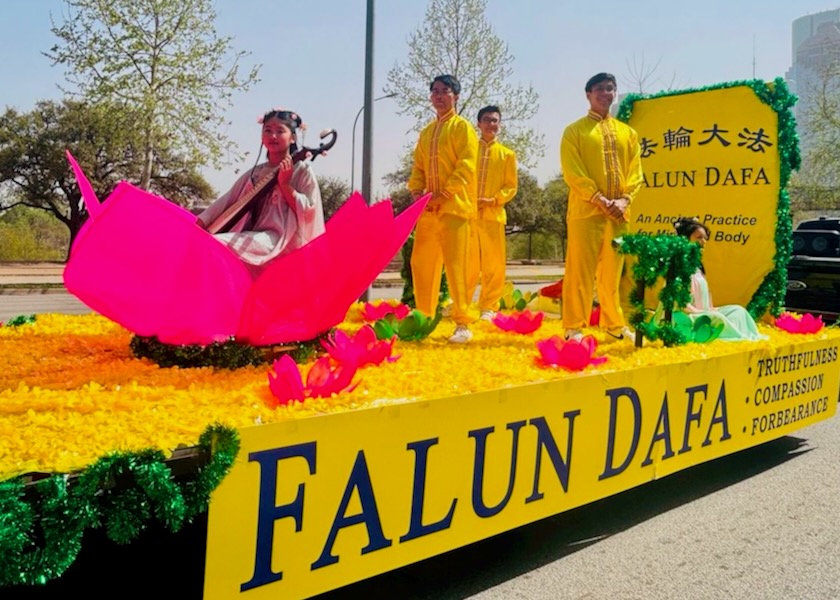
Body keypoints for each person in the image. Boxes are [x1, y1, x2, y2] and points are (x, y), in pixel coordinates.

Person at [560, 72, 643, 342]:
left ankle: (614, 324)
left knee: (613, 273)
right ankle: (574, 326)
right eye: (599, 89)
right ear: (588, 94)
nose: (605, 93)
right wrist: (598, 198)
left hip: (619, 215)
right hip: (586, 212)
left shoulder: (628, 133)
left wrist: (623, 200)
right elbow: (573, 172)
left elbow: (635, 173)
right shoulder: (575, 131)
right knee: (579, 271)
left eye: (610, 89)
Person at [197, 108, 325, 268]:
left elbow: (309, 212)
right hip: (254, 237)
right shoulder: (255, 173)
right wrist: (199, 224)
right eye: (268, 130)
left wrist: (285, 185)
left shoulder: (301, 171)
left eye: (280, 131)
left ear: (292, 138)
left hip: (282, 239)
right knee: (206, 246)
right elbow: (226, 201)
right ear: (261, 137)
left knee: (217, 244)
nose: (273, 136)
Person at [408, 74, 479, 343]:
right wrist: (417, 190)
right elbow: (418, 167)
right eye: (435, 91)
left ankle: (463, 323)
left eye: (445, 91)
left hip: (454, 208)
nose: (438, 96)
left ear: (456, 96)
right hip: (427, 211)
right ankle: (424, 319)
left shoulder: (462, 128)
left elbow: (466, 165)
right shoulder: (427, 132)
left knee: (456, 266)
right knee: (422, 264)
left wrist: (444, 193)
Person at [666, 218, 765, 341]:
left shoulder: (697, 266)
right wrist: (700, 312)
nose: (704, 241)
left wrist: (711, 309)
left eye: (705, 238)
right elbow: (680, 304)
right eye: (699, 237)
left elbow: (705, 295)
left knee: (738, 311)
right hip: (688, 315)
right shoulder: (679, 266)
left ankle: (743, 337)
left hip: (705, 311)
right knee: (717, 319)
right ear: (685, 238)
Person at [466, 105, 519, 321]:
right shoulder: (468, 151)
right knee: (465, 264)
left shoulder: (507, 155)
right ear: (478, 124)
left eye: (495, 120)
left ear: (500, 124)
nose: (491, 124)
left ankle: (488, 306)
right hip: (468, 215)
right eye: (487, 120)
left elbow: (510, 186)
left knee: (494, 265)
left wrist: (493, 200)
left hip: (493, 215)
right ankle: (462, 304)